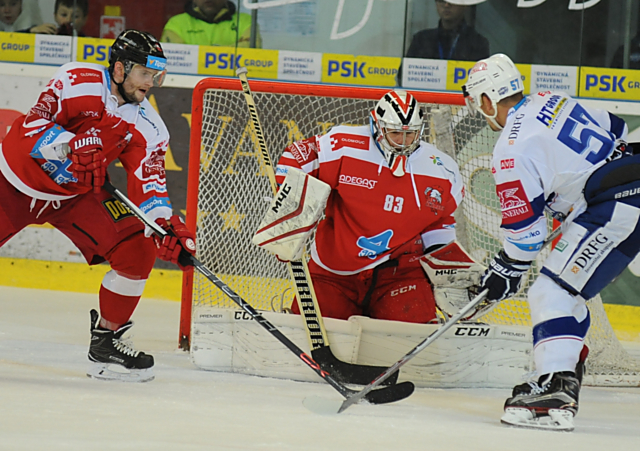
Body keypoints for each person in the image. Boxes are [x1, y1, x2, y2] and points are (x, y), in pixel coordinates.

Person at [0, 30, 196, 382]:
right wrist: (70, 145)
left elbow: (149, 188)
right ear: (119, 69)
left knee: (136, 251)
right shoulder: (77, 81)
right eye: (144, 74)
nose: (150, 83)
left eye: (156, 75)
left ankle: (106, 344)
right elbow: (31, 127)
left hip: (73, 198)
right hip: (12, 182)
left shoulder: (150, 128)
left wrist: (165, 226)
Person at [463, 53, 639, 431]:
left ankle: (554, 386)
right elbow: (618, 128)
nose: (481, 112)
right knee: (565, 291)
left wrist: (503, 271)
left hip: (620, 204)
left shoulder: (511, 149)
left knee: (551, 293)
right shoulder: (549, 99)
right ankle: (559, 378)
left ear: (489, 100)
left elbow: (527, 238)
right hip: (625, 189)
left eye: (479, 103)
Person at [263, 89, 472, 324]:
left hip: (399, 273)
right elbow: (295, 158)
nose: (403, 143)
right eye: (395, 134)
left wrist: (445, 273)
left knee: (414, 340)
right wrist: (290, 214)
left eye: (410, 135)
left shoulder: (442, 171)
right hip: (334, 270)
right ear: (378, 127)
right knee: (305, 337)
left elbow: (438, 222)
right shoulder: (344, 145)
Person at [406, 0, 489, 61]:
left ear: (465, 5)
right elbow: (403, 75)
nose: (446, 5)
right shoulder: (421, 40)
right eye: (441, 1)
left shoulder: (478, 43)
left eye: (453, 1)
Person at [161, 0, 261, 48]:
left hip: (233, 81)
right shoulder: (177, 23)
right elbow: (175, 57)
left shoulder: (245, 21)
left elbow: (253, 49)